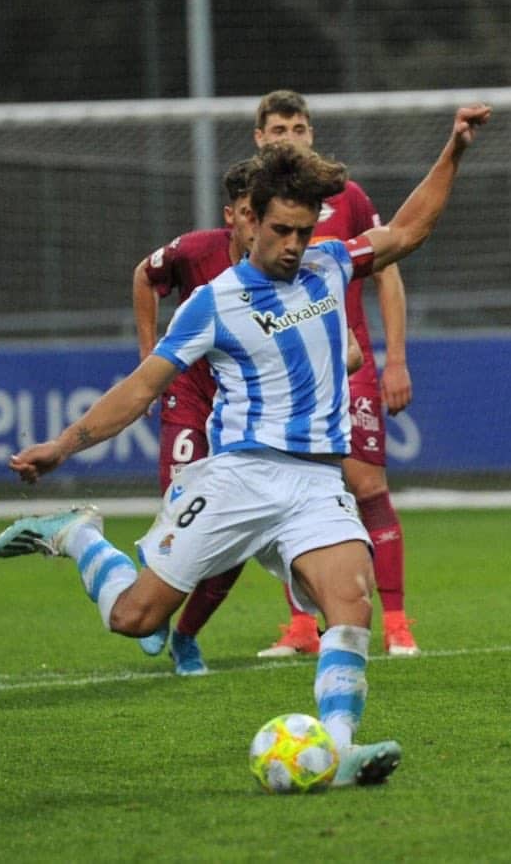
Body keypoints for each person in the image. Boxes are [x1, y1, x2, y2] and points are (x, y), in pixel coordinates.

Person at [0, 104, 491, 787]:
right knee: (136, 619)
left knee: (351, 605)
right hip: (239, 479)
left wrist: (454, 148)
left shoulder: (330, 265)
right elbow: (142, 388)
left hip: (316, 483)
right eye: (281, 229)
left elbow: (408, 229)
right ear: (249, 219)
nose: (293, 244)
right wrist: (63, 445)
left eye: (303, 230)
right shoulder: (215, 303)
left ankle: (337, 751)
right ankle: (78, 536)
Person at [129, 159, 364, 675]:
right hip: (194, 397)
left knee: (248, 555)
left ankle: (186, 631)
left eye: (302, 230)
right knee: (183, 533)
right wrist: (148, 359)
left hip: (293, 451)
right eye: (243, 215)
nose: (292, 240)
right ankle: (154, 584)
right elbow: (145, 277)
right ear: (238, 217)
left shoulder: (315, 267)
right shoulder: (201, 263)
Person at [243, 89, 422, 660]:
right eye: (278, 129)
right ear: (259, 138)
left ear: (311, 134)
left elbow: (386, 273)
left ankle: (396, 620)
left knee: (367, 485)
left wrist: (395, 358)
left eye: (298, 127)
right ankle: (301, 625)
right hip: (290, 374)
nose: (288, 137)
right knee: (288, 492)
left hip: (352, 363)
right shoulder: (252, 204)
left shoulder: (346, 197)